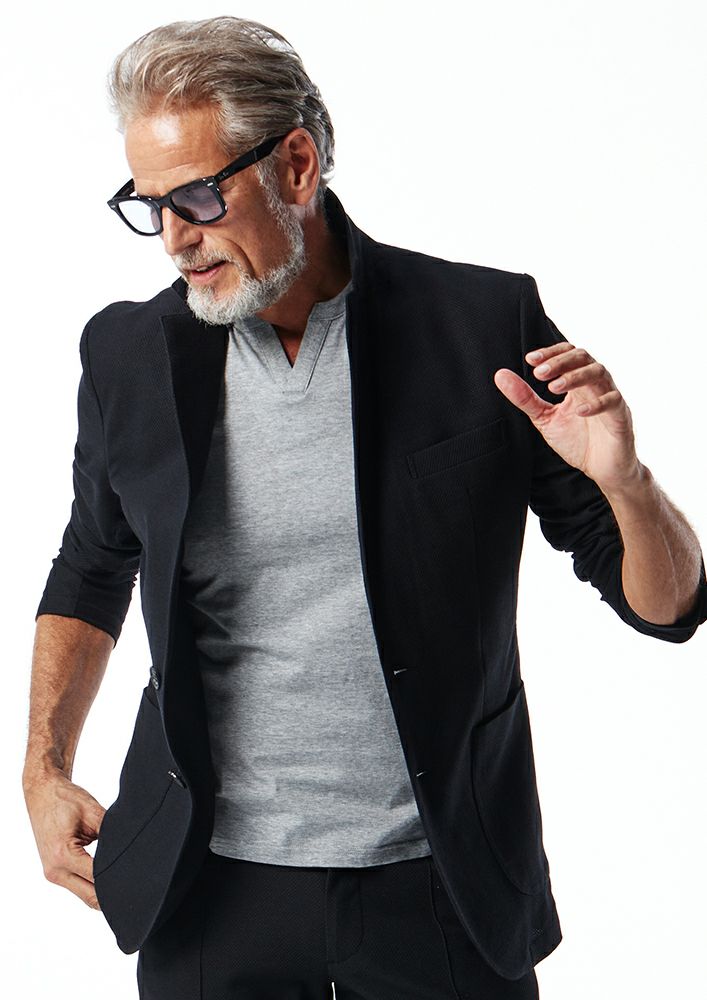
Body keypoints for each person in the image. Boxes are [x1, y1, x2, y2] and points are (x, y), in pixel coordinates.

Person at [22, 15, 707, 1000]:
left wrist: (624, 482)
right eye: (150, 205)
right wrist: (42, 770)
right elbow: (92, 566)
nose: (174, 239)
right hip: (206, 887)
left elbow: (665, 608)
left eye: (199, 198)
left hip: (440, 886)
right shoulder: (127, 353)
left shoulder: (480, 327)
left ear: (295, 166)